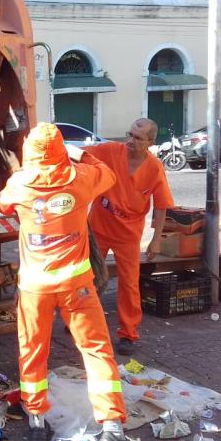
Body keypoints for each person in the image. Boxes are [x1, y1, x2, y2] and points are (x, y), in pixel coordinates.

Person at [0, 122, 134, 441]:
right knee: (97, 350)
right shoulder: (82, 178)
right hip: (77, 286)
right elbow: (107, 173)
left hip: (35, 288)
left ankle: (35, 422)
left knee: (33, 353)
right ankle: (112, 428)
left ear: (28, 153)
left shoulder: (19, 184)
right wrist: (81, 155)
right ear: (62, 150)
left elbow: (2, 203)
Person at [84, 118, 174, 356]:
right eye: (130, 134)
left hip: (128, 234)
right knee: (87, 276)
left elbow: (162, 204)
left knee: (129, 284)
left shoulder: (154, 167)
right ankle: (80, 323)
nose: (130, 141)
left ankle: (128, 334)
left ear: (151, 142)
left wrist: (156, 239)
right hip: (99, 228)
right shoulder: (111, 151)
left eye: (137, 138)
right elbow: (80, 154)